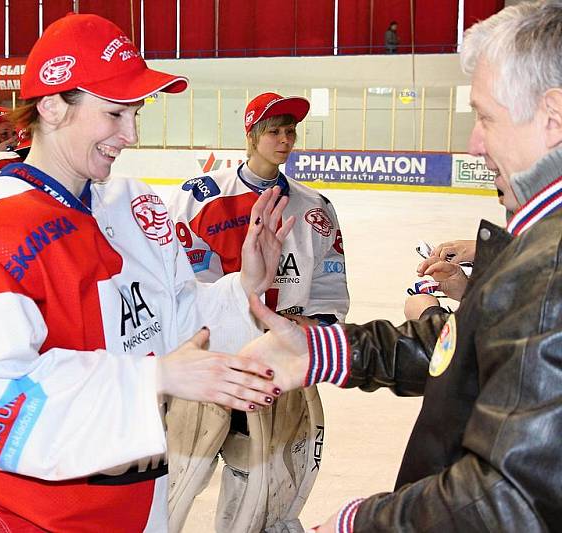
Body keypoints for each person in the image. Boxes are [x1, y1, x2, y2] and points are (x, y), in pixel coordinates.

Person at [0, 13, 290, 531]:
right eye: (115, 113)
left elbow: (176, 324)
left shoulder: (133, 206)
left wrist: (244, 286)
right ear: (50, 106)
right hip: (23, 516)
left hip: (137, 505)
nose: (131, 134)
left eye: (135, 112)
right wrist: (149, 379)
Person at [241, 2, 562, 530]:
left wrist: (361, 523)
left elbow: (508, 500)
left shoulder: (548, 271)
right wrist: (323, 348)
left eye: (484, 117)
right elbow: (471, 360)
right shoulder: (534, 247)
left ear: (550, 116)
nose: (473, 144)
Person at [166, 91, 349, 531]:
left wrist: (314, 329)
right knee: (179, 475)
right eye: (274, 130)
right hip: (214, 362)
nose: (284, 139)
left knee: (259, 482)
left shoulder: (316, 208)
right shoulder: (200, 197)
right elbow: (181, 284)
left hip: (277, 366)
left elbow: (328, 284)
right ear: (251, 135)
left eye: (290, 131)